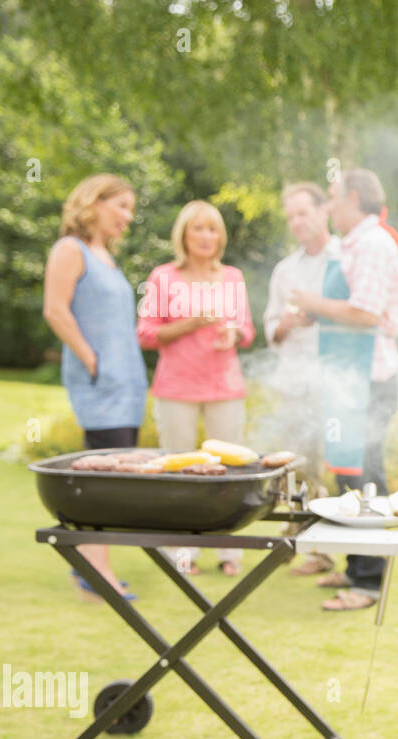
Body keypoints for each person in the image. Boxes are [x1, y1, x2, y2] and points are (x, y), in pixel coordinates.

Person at [286, 169, 398, 611]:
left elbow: (364, 314)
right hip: (345, 380)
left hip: (369, 382)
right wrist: (315, 316)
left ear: (353, 198)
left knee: (366, 477)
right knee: (346, 475)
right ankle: (356, 565)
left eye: (334, 198)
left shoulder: (375, 244)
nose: (328, 206)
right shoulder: (353, 245)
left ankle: (368, 583)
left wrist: (311, 303)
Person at [42, 173, 148, 602]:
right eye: (121, 206)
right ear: (94, 202)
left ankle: (92, 563)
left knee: (116, 476)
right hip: (100, 383)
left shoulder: (106, 256)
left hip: (127, 383)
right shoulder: (71, 249)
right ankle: (94, 569)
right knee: (104, 476)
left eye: (131, 210)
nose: (127, 217)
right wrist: (92, 360)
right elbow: (55, 310)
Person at [137, 200, 255, 577]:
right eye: (198, 229)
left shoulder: (232, 277)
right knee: (180, 469)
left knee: (228, 470)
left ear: (220, 236)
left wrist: (231, 332)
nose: (206, 236)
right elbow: (146, 334)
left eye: (213, 229)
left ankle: (228, 550)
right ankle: (181, 553)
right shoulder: (163, 277)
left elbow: (247, 331)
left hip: (225, 386)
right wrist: (191, 323)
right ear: (183, 235)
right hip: (177, 388)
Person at [262, 181, 340, 577]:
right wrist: (287, 323)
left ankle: (326, 549)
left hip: (336, 382)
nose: (297, 222)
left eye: (303, 213)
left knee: (334, 468)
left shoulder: (344, 258)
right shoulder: (285, 270)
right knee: (295, 466)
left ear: (324, 210)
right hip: (293, 381)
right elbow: (270, 329)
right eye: (291, 216)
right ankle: (297, 539)